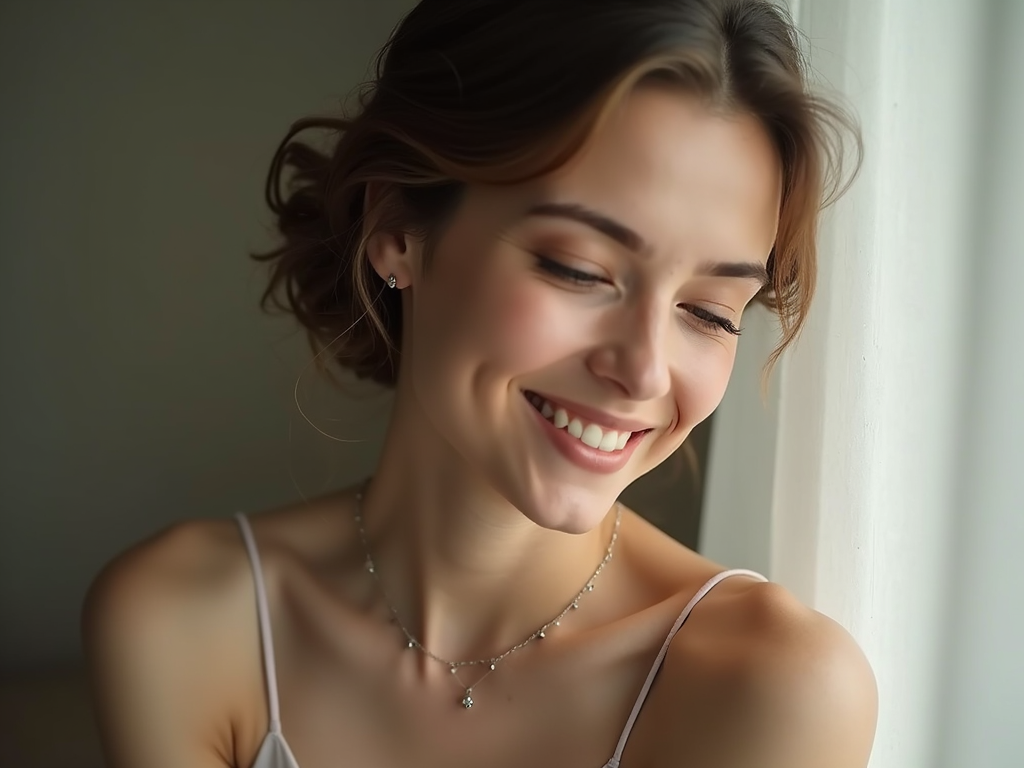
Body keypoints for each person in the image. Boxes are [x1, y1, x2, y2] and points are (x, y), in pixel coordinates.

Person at [82, 1, 877, 766]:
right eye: (580, 270)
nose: (641, 369)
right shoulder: (181, 622)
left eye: (708, 313)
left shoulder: (771, 690)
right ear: (396, 229)